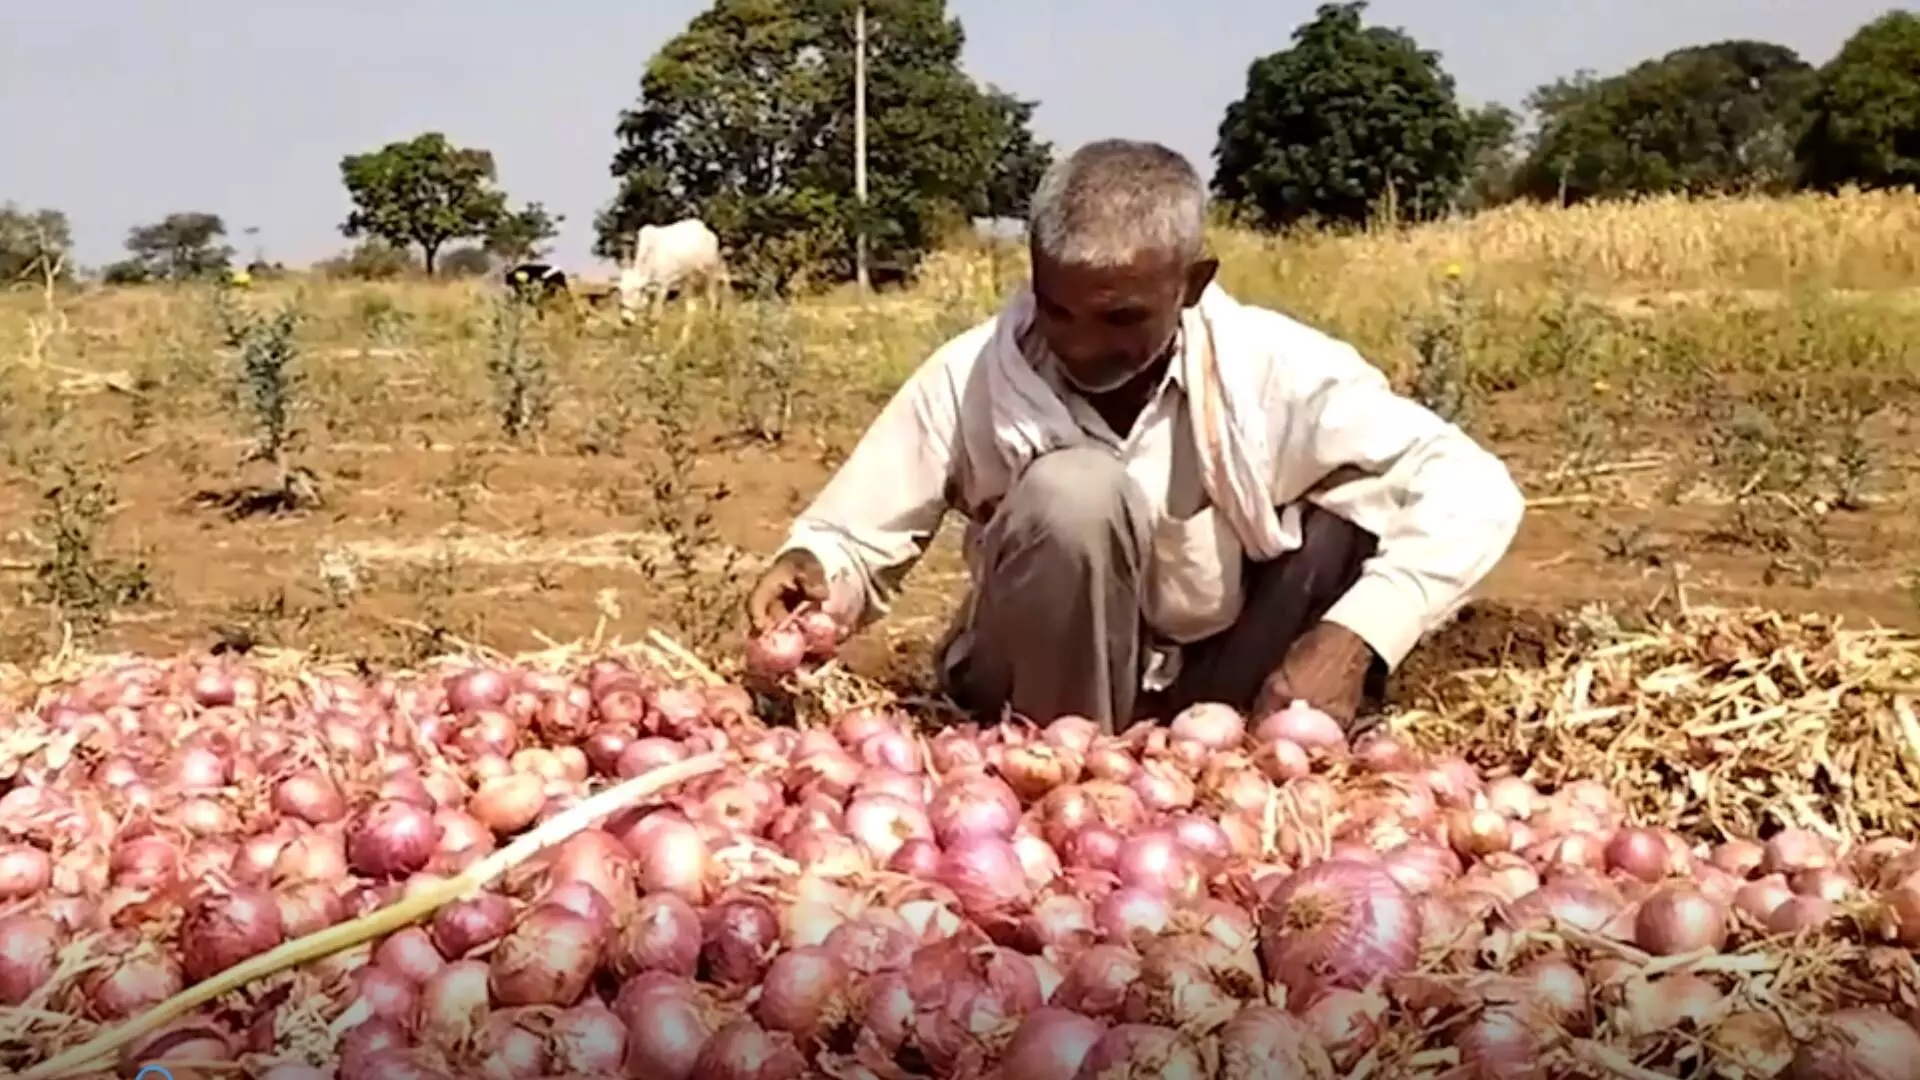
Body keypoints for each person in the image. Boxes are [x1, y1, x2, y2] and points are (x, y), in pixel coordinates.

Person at [746, 139, 1524, 734]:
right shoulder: (977, 373)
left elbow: (1473, 489)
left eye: (1121, 318)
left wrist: (1359, 636)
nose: (1080, 346)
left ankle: (1241, 770)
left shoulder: (1276, 368)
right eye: (1057, 310)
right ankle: (1070, 788)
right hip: (1034, 708)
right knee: (1071, 494)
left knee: (1345, 522)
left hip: (1230, 686)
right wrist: (816, 569)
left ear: (1192, 285)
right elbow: (853, 536)